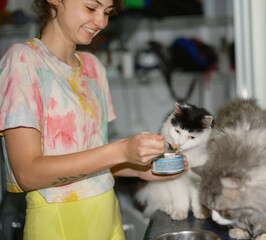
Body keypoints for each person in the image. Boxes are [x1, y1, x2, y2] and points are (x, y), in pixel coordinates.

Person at [0, 0, 187, 239]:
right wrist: (121, 150)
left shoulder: (93, 67)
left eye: (107, 12)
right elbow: (27, 174)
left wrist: (139, 168)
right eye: (91, 8)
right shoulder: (23, 61)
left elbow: (90, 156)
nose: (101, 22)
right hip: (58, 224)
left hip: (108, 216)